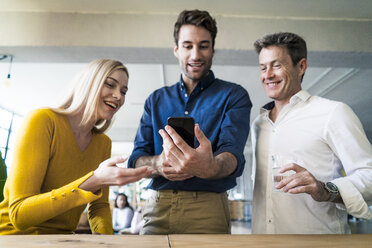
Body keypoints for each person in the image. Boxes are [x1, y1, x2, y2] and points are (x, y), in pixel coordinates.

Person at [128, 9, 252, 234]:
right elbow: (136, 158)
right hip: (158, 205)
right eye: (187, 46)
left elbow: (232, 154)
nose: (195, 55)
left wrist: (209, 166)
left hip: (208, 207)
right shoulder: (155, 100)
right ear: (176, 50)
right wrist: (158, 163)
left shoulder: (234, 95)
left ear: (213, 49)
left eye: (203, 46)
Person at [0, 59, 153, 235]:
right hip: (14, 238)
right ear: (89, 84)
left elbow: (99, 207)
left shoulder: (103, 143)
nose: (118, 96)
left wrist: (108, 243)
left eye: (123, 91)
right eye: (110, 85)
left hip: (62, 240)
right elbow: (20, 215)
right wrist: (93, 181)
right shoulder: (42, 121)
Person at [251, 32, 372, 234]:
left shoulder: (333, 113)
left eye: (277, 65)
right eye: (263, 67)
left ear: (301, 66)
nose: (268, 74)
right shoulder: (258, 124)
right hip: (263, 242)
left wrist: (326, 190)